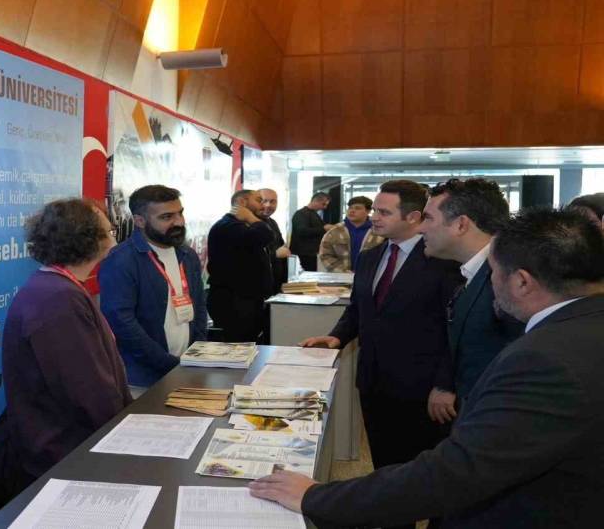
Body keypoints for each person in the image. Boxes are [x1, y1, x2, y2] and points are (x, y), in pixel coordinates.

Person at [249, 208, 604, 529]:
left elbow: (454, 473)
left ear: (522, 281)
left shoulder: (544, 360)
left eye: (493, 272)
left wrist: (315, 497)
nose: (489, 285)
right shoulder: (582, 328)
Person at [300, 180, 461, 529]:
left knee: (431, 477)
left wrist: (446, 383)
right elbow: (359, 310)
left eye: (384, 212)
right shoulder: (372, 256)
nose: (374, 216)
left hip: (424, 392)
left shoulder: (443, 262)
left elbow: (455, 330)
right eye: (374, 209)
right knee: (387, 472)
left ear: (413, 217)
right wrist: (336, 337)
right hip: (374, 382)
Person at [0, 198, 132, 509]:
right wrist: (125, 435)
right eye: (109, 230)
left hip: (67, 444)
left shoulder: (58, 288)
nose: (114, 237)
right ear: (87, 239)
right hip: (62, 453)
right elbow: (85, 389)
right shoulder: (58, 299)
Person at [419, 178, 524, 422]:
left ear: (461, 224)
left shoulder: (506, 279)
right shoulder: (474, 272)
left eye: (428, 218)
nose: (420, 228)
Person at [99, 185, 207, 392]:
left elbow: (199, 306)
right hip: (143, 379)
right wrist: (166, 363)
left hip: (186, 369)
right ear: (140, 221)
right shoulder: (121, 260)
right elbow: (121, 322)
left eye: (180, 213)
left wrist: (197, 351)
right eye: (167, 217)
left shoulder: (187, 255)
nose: (179, 222)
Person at [207, 189, 276, 343]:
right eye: (258, 200)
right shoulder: (228, 226)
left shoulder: (243, 226)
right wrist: (251, 217)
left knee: (249, 343)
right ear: (242, 202)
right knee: (237, 346)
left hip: (247, 300)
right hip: (233, 302)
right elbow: (265, 236)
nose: (263, 205)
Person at [318, 195, 383, 273]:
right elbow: (325, 254)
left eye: (357, 208)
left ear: (368, 211)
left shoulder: (379, 232)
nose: (352, 211)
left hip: (370, 275)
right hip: (340, 275)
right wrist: (343, 271)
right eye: (350, 208)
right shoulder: (335, 231)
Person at [290, 192, 334, 271]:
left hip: (312, 252)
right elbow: (301, 231)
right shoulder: (300, 214)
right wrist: (323, 229)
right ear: (316, 201)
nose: (325, 207)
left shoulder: (314, 214)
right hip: (305, 253)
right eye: (323, 204)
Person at [258, 188, 290, 293]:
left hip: (275, 284)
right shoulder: (248, 224)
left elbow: (281, 249)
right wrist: (274, 254)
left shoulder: (272, 222)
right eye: (264, 201)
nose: (268, 205)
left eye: (273, 201)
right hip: (258, 287)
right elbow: (248, 258)